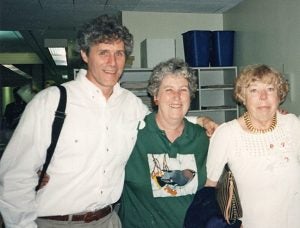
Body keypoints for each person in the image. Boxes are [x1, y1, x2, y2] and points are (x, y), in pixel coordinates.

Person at [0, 15, 217, 228]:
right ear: (85, 54)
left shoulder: (130, 105)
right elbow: (14, 177)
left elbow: (166, 118)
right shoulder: (52, 102)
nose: (112, 63)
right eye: (103, 52)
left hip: (109, 220)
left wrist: (200, 120)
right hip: (56, 222)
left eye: (119, 53)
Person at [203, 64, 300, 227]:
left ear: (279, 95)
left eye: (270, 89)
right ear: (243, 96)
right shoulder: (227, 134)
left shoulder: (292, 124)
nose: (263, 97)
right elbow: (209, 189)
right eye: (254, 90)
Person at [118, 58, 210, 227]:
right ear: (156, 97)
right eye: (169, 90)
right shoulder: (133, 135)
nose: (177, 97)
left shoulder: (203, 139)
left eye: (183, 90)